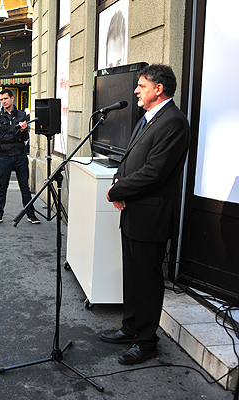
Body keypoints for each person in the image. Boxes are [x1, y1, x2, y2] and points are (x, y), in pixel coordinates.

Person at [102, 64, 190, 365]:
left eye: (141, 85)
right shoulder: (149, 118)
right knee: (133, 277)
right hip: (133, 212)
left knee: (148, 281)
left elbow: (154, 173)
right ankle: (130, 329)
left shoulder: (174, 122)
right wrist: (118, 182)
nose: (136, 91)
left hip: (151, 216)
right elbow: (130, 160)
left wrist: (118, 191)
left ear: (159, 88)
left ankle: (146, 342)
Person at [0, 89, 39, 226]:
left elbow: (25, 137)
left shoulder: (22, 115)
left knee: (25, 188)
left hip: (20, 155)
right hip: (4, 157)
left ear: (12, 99)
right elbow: (0, 138)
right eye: (1, 99)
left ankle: (31, 214)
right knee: (2, 188)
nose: (4, 102)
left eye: (5, 98)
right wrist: (16, 133)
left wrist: (22, 131)